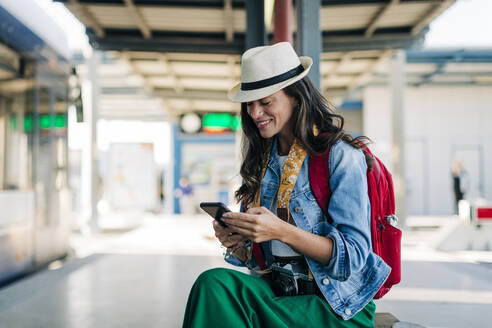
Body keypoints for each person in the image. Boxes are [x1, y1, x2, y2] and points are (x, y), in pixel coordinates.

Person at [182, 42, 390, 327]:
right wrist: (237, 242)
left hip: (335, 306)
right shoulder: (262, 160)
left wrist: (281, 230)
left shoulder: (340, 156)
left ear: (296, 97)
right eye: (249, 104)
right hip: (281, 296)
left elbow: (352, 259)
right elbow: (264, 264)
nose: (255, 113)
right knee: (213, 283)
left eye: (266, 102)